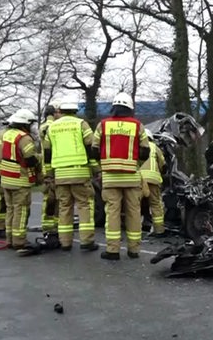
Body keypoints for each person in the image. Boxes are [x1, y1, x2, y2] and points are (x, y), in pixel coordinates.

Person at [92, 92, 150, 260]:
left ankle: (112, 250)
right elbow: (146, 151)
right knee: (133, 212)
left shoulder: (102, 125)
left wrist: (105, 162)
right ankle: (133, 250)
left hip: (110, 178)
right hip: (131, 176)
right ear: (130, 108)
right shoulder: (137, 126)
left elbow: (94, 151)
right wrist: (134, 161)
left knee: (112, 213)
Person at [44, 99, 98, 252]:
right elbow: (91, 148)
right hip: (79, 172)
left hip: (60, 175)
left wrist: (49, 174)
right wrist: (95, 169)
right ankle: (87, 241)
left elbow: (47, 154)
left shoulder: (52, 128)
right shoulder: (81, 124)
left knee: (64, 208)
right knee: (84, 205)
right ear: (75, 112)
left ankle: (65, 242)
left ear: (60, 112)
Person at [0, 109, 41, 256]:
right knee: (21, 211)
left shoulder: (7, 134)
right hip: (19, 180)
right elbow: (29, 158)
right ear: (25, 124)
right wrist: (39, 159)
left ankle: (9, 239)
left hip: (6, 179)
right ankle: (19, 241)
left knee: (10, 209)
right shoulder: (24, 138)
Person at [39, 103, 61, 235]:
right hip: (54, 167)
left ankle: (47, 224)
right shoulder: (52, 126)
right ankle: (54, 225)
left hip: (45, 167)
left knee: (48, 197)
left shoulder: (42, 126)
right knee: (55, 197)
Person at [141, 128, 167, 236]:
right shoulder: (155, 147)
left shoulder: (138, 147)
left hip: (140, 179)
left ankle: (134, 228)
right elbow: (163, 164)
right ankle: (159, 230)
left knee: (135, 204)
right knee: (155, 204)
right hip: (154, 179)